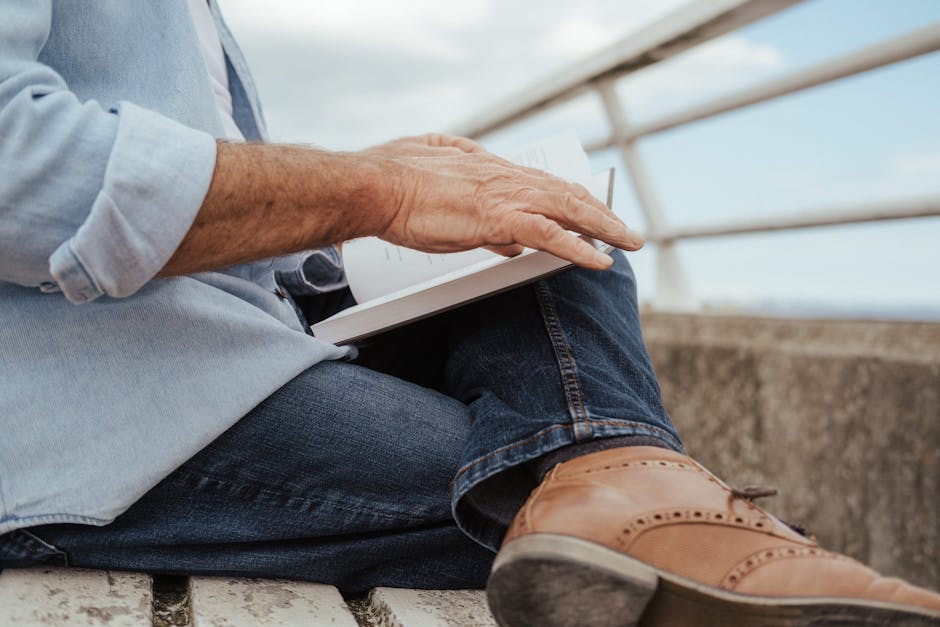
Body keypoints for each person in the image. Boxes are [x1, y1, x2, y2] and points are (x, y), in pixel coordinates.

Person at [0, 2, 937, 625]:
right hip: (99, 404)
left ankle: (621, 479)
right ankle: (641, 500)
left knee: (536, 216)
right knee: (534, 486)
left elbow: (157, 217)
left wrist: (391, 192)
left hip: (208, 330)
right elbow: (21, 170)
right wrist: (374, 191)